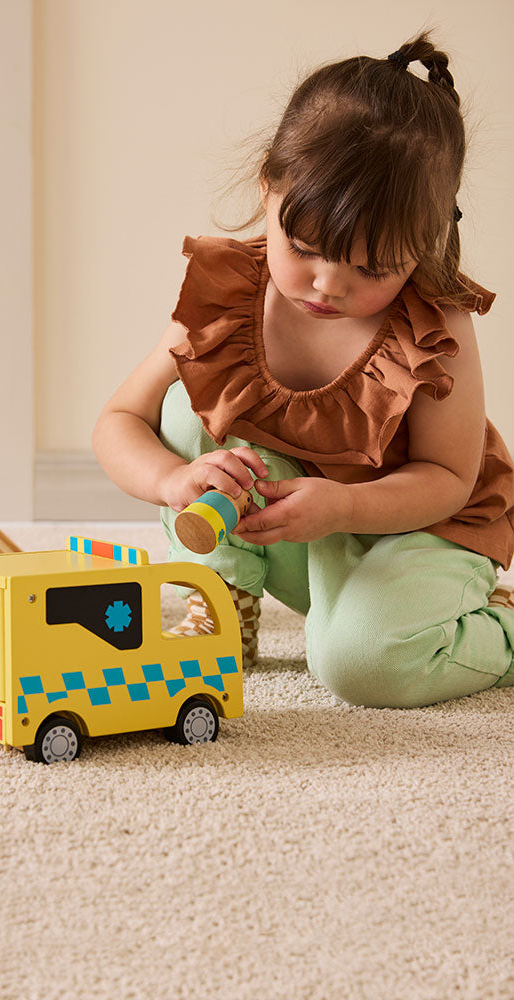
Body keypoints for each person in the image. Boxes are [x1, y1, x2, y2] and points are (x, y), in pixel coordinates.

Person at [92, 31, 514, 708]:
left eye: (372, 269)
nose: (326, 285)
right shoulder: (228, 291)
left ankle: (488, 624)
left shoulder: (435, 328)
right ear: (268, 189)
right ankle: (224, 603)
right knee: (183, 410)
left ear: (423, 242)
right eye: (305, 248)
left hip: (412, 533)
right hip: (296, 527)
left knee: (359, 668)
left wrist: (345, 505)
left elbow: (447, 481)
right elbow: (119, 422)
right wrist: (174, 481)